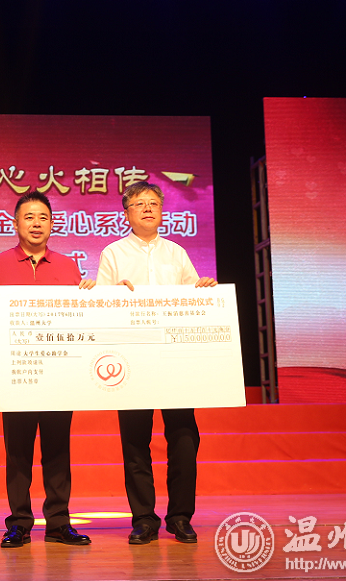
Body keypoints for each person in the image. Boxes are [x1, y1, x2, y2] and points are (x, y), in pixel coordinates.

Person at [0, 190, 95, 548]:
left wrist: (91, 296)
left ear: (52, 224)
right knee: (18, 453)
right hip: (19, 373)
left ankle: (59, 523)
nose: (36, 224)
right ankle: (19, 523)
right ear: (16, 223)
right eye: (29, 217)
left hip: (59, 373)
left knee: (58, 451)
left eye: (43, 217)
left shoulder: (69, 265)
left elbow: (81, 317)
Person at [95, 182, 217, 545]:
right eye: (139, 204)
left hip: (174, 358)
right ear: (126, 214)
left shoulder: (177, 253)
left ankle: (180, 516)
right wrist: (114, 297)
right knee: (135, 441)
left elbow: (194, 299)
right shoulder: (113, 253)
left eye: (153, 203)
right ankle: (144, 519)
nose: (148, 208)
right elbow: (99, 305)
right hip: (131, 358)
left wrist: (205, 291)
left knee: (184, 438)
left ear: (162, 211)